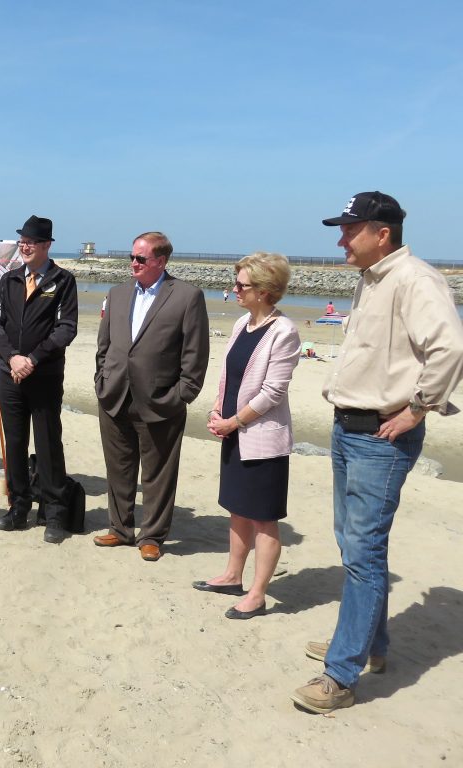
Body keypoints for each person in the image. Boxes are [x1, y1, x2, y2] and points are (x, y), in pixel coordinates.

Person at [291, 191, 463, 714]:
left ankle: (341, 674)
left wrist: (417, 409)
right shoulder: (373, 279)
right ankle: (370, 645)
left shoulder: (415, 279)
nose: (341, 239)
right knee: (354, 545)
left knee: (364, 553)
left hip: (380, 437)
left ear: (381, 232)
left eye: (349, 229)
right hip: (351, 430)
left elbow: (450, 347)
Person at [93, 231, 210, 560]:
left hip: (161, 402)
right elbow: (105, 347)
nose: (133, 263)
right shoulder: (117, 294)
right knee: (119, 467)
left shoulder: (187, 297)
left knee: (158, 473)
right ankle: (120, 528)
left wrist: (180, 395)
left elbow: (195, 356)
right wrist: (101, 381)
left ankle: (152, 536)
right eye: (132, 257)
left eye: (140, 259)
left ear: (160, 261)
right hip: (115, 395)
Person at [197, 253, 301, 619]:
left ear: (265, 290)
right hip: (233, 431)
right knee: (237, 508)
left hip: (260, 436)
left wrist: (234, 421)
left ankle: (257, 595)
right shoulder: (243, 322)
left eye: (241, 285)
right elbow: (229, 377)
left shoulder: (284, 331)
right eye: (236, 283)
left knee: (263, 517)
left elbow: (273, 392)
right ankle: (231, 575)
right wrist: (215, 410)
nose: (234, 290)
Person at [0, 215, 78, 544]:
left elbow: (66, 328)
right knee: (14, 442)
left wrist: (33, 359)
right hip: (11, 374)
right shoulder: (9, 279)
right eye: (21, 241)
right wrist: (12, 357)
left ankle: (54, 512)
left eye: (32, 242)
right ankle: (18, 505)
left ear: (47, 245)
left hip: (45, 376)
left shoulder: (62, 280)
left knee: (48, 442)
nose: (24, 247)